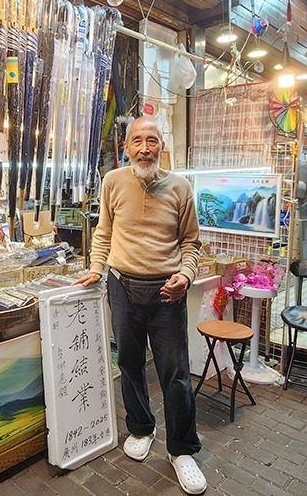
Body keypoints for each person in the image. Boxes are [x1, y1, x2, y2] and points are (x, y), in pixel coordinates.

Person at [74, 116, 206, 495]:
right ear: (126, 146)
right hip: (121, 286)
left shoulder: (180, 187)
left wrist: (186, 275)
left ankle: (182, 449)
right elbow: (104, 231)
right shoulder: (113, 181)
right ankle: (141, 428)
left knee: (175, 372)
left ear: (161, 146)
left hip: (167, 293)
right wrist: (96, 268)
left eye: (152, 140)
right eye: (137, 141)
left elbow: (191, 243)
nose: (144, 148)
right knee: (130, 364)